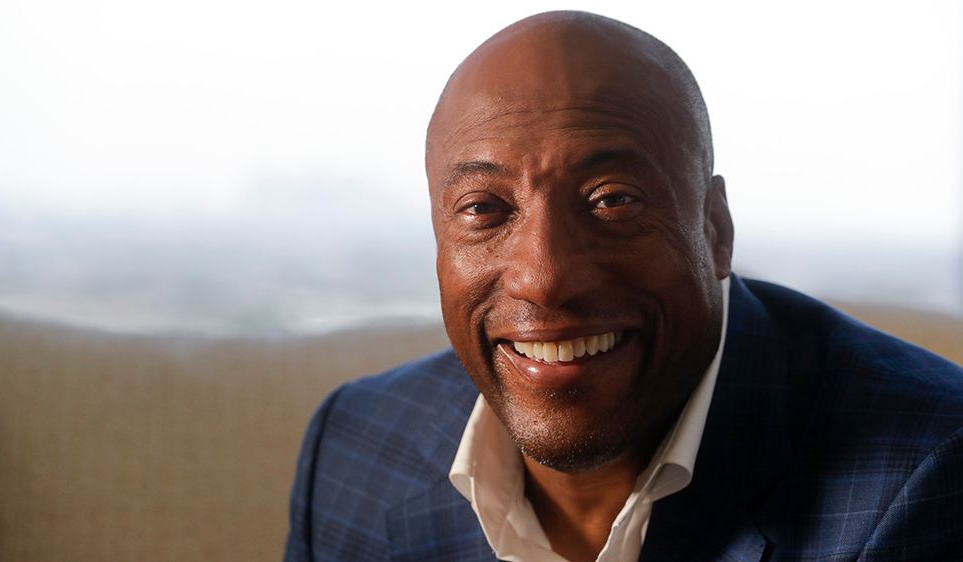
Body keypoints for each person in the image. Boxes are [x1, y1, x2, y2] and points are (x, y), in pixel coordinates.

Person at [284, 11, 963, 562]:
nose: (544, 279)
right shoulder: (357, 444)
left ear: (715, 229)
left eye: (612, 200)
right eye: (484, 209)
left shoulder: (928, 475)